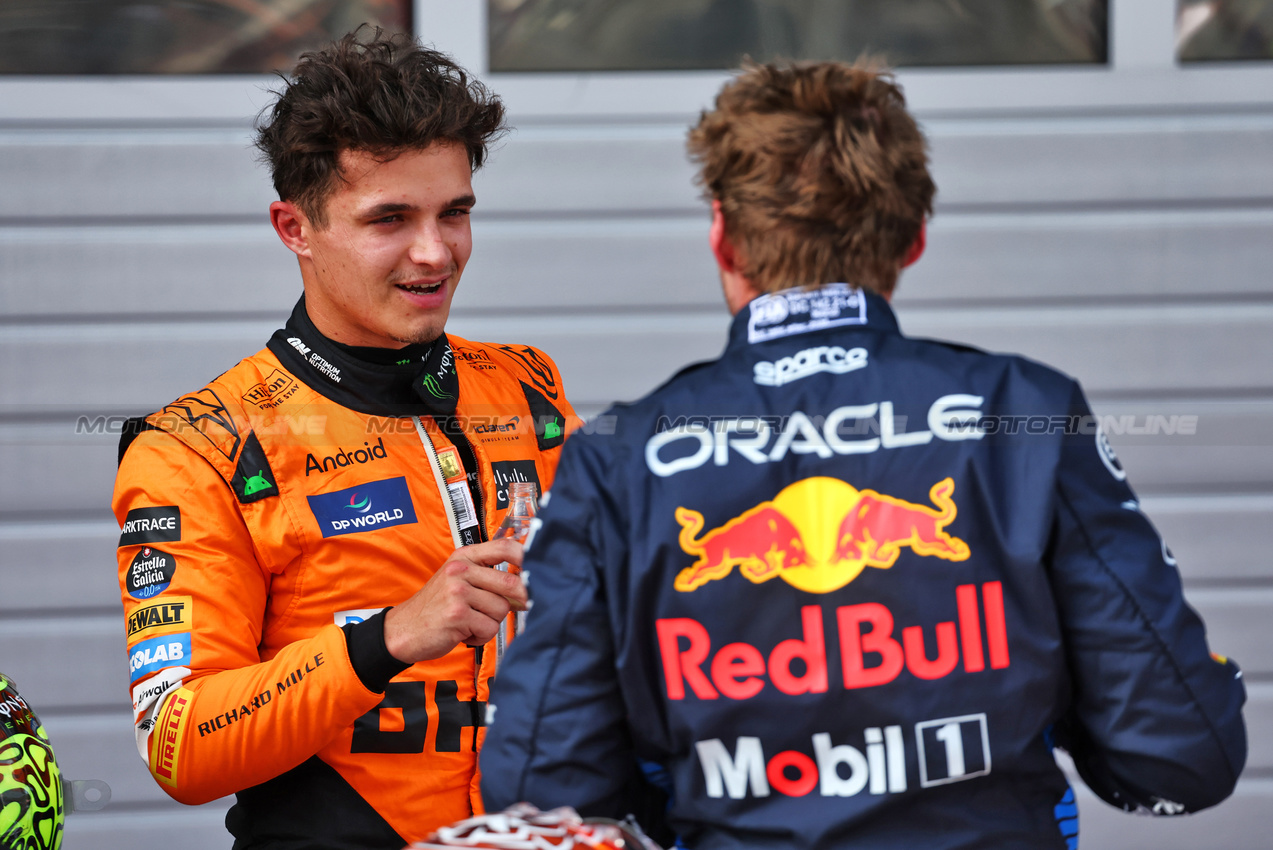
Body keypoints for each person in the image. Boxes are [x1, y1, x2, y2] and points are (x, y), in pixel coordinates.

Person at [479, 61, 1247, 848]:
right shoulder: (1024, 416)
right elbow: (1179, 753)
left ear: (722, 234)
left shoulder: (619, 458)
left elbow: (543, 788)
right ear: (913, 237)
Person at [112, 28, 578, 849]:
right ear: (294, 227)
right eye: (389, 219)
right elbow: (179, 744)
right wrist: (389, 637)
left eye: (454, 213)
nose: (434, 253)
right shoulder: (197, 447)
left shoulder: (525, 385)